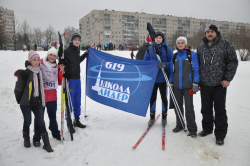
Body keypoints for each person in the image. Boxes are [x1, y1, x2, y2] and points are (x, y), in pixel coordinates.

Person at [197, 24, 238, 145]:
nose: (210, 33)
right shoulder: (201, 47)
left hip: (219, 84)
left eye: (212, 31)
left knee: (219, 110)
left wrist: (227, 78)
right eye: (208, 32)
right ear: (205, 34)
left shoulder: (225, 44)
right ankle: (207, 129)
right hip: (204, 84)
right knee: (205, 109)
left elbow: (232, 61)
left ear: (216, 33)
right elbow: (198, 64)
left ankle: (220, 135)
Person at [14, 51, 53, 152]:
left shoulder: (40, 72)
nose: (36, 62)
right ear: (30, 61)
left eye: (37, 60)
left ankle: (46, 143)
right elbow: (18, 89)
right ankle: (26, 139)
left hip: (37, 102)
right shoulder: (25, 73)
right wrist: (20, 101)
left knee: (41, 121)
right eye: (34, 60)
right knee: (28, 121)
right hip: (26, 103)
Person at [169, 37, 200, 138]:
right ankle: (180, 125)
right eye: (178, 43)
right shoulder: (174, 56)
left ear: (185, 44)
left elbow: (196, 70)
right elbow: (172, 72)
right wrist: (171, 83)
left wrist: (195, 83)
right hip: (177, 86)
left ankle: (192, 129)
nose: (180, 44)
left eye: (182, 43)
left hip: (188, 86)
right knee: (178, 107)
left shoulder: (191, 54)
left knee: (189, 108)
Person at [33, 47, 62, 147]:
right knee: (39, 118)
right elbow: (32, 66)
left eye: (54, 56)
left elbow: (59, 81)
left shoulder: (57, 66)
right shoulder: (40, 63)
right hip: (41, 95)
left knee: (53, 116)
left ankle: (55, 132)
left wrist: (63, 71)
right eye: (51, 55)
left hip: (52, 96)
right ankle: (37, 137)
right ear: (47, 55)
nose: (52, 57)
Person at [143, 32, 173, 126]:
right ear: (154, 39)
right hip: (153, 79)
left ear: (162, 39)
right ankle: (152, 117)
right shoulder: (149, 49)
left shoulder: (167, 49)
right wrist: (151, 66)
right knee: (152, 98)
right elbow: (145, 63)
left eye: (160, 38)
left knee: (164, 98)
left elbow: (172, 63)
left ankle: (164, 117)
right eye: (156, 38)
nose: (158, 39)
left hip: (164, 79)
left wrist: (165, 65)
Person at [59, 33, 87, 133]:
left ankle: (77, 119)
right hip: (70, 79)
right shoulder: (66, 51)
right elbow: (61, 62)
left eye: (78, 40)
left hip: (77, 79)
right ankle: (69, 121)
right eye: (75, 39)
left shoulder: (77, 51)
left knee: (77, 100)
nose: (77, 41)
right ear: (72, 40)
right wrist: (62, 62)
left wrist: (85, 54)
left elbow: (77, 61)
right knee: (70, 101)